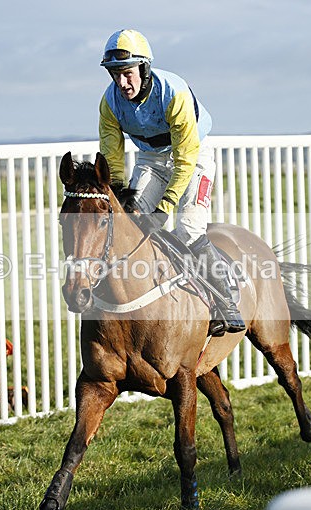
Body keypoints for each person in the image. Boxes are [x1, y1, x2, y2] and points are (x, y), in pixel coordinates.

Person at [97, 29, 245, 336]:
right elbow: (113, 160)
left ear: (144, 68)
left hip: (192, 156)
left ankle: (226, 301)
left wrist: (165, 206)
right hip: (151, 160)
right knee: (133, 225)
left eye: (127, 73)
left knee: (188, 231)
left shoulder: (172, 92)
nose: (122, 83)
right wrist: (122, 201)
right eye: (115, 75)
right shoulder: (109, 103)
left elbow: (185, 160)